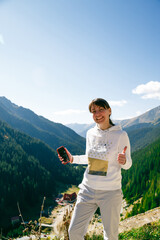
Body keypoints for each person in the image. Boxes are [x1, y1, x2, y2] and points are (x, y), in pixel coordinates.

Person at [58, 98, 132, 240]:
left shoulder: (121, 135)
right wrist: (72, 158)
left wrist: (124, 161)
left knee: (110, 236)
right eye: (93, 111)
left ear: (109, 111)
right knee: (74, 233)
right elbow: (90, 157)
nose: (97, 114)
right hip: (87, 190)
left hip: (110, 192)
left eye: (101, 109)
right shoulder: (90, 133)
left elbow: (128, 164)